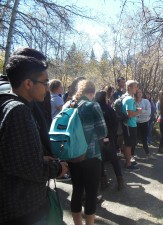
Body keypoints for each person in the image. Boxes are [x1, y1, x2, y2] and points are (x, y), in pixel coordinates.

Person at [0, 53, 68, 225]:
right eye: (44, 82)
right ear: (28, 83)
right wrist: (58, 168)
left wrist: (40, 157)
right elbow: (33, 170)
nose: (47, 88)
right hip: (24, 210)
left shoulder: (6, 104)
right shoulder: (19, 111)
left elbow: (12, 157)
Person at [66, 80, 107, 225]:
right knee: (91, 192)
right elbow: (103, 131)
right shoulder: (92, 105)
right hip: (91, 155)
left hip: (72, 155)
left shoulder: (69, 105)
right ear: (92, 93)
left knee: (77, 189)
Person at [95, 90, 124, 190]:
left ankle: (103, 181)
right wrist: (112, 136)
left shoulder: (95, 110)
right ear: (105, 97)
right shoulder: (109, 109)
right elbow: (115, 123)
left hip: (98, 139)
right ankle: (120, 181)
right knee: (114, 160)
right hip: (108, 138)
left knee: (100, 161)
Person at [122, 80, 142, 171]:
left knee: (128, 144)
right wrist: (138, 112)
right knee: (128, 145)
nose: (137, 88)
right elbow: (129, 114)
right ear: (129, 88)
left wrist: (135, 109)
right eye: (135, 87)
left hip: (127, 125)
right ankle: (128, 164)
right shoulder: (129, 99)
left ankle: (128, 160)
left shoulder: (125, 97)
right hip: (130, 125)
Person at [133, 89, 156, 159]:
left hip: (144, 122)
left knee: (144, 139)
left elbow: (149, 112)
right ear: (135, 94)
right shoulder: (134, 102)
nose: (139, 94)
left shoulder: (146, 101)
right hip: (136, 123)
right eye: (137, 92)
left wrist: (140, 111)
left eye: (140, 92)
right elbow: (133, 114)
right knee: (134, 139)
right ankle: (132, 155)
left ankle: (148, 154)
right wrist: (142, 112)